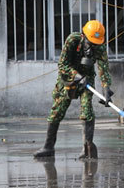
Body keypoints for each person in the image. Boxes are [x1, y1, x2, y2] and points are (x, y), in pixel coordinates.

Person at [33, 20, 114, 159]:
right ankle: (48, 147)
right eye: (91, 43)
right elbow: (62, 64)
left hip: (87, 79)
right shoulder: (73, 40)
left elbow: (103, 69)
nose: (93, 46)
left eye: (96, 44)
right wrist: (76, 76)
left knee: (87, 110)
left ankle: (87, 148)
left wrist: (106, 89)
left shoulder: (100, 48)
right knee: (57, 110)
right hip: (68, 78)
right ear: (83, 36)